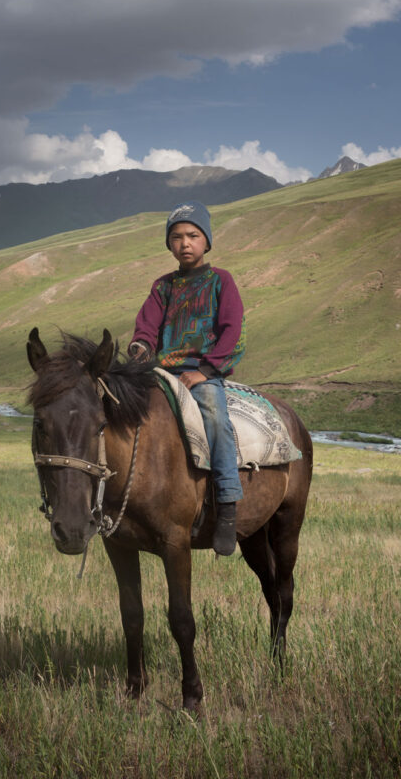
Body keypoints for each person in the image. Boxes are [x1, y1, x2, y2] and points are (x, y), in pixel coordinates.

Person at [128, 201, 246, 556]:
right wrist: (139, 348)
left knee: (214, 416)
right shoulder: (162, 287)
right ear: (169, 244)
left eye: (193, 235)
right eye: (177, 237)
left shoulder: (220, 281)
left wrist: (205, 372)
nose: (185, 243)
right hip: (162, 371)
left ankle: (226, 505)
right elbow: (146, 328)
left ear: (207, 241)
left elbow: (232, 332)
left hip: (204, 372)